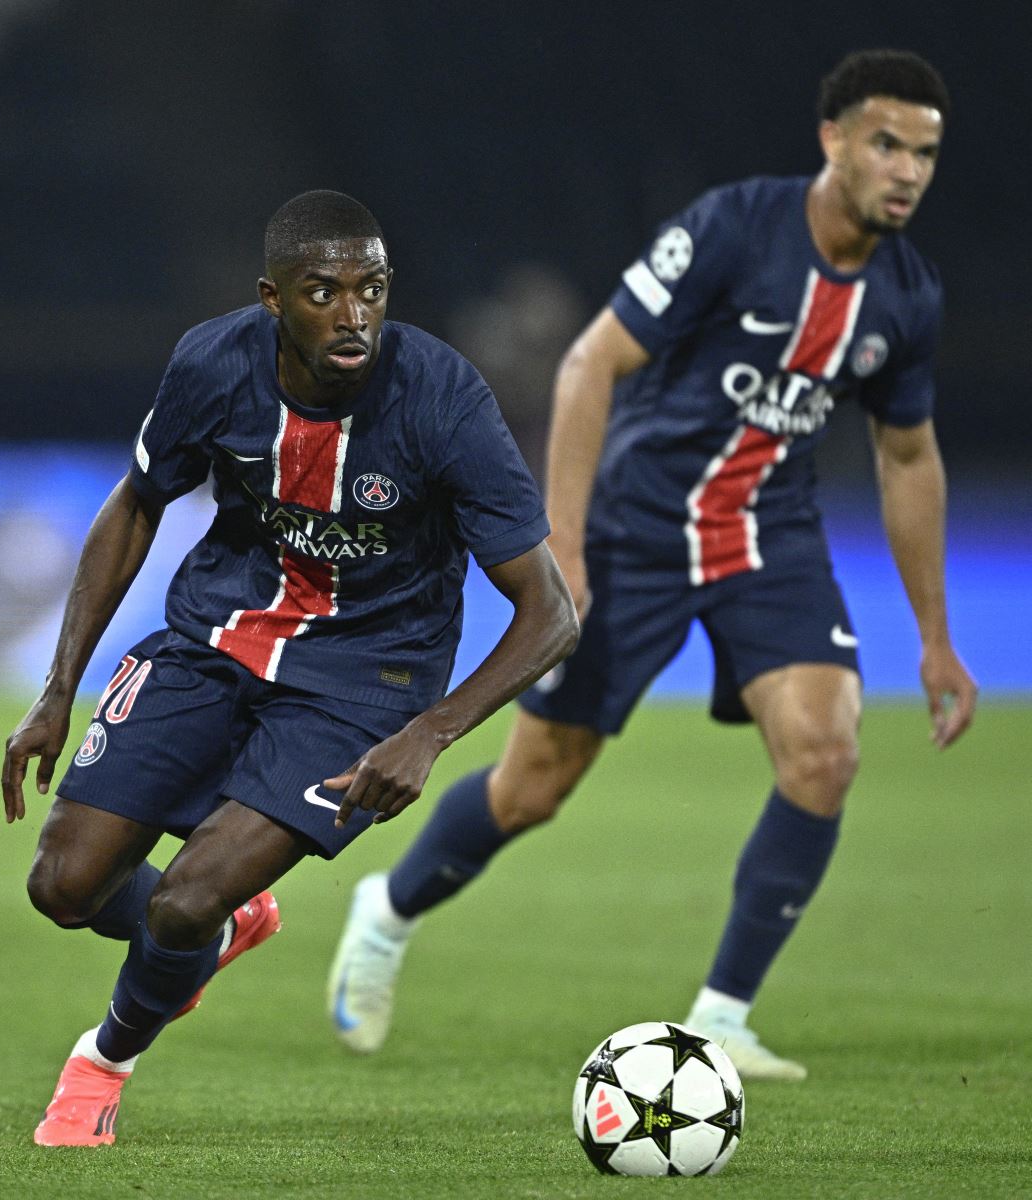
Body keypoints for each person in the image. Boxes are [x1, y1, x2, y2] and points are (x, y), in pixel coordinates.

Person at [327, 50, 978, 1081]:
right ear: (836, 142)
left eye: (926, 154)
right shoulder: (733, 228)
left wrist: (937, 639)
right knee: (536, 786)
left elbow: (907, 457)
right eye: (887, 144)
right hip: (633, 531)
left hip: (770, 538)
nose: (906, 170)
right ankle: (389, 909)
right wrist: (565, 552)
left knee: (825, 750)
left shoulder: (907, 296)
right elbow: (591, 363)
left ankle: (722, 1017)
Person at [1, 190, 578, 1146]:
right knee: (63, 885)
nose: (354, 316)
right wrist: (59, 689)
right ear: (273, 299)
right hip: (213, 637)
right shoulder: (213, 364)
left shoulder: (442, 398)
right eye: (325, 292)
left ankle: (102, 1061)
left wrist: (428, 733)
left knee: (184, 898)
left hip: (367, 680)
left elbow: (550, 611)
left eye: (373, 291)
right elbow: (138, 502)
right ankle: (221, 931)